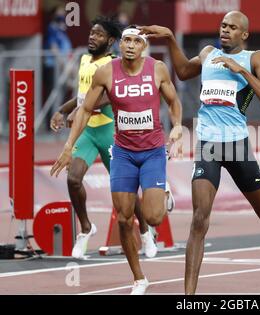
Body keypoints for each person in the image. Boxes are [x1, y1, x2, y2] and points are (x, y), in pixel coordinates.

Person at [138, 10, 260, 295]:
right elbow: (184, 72)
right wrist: (172, 38)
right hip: (208, 145)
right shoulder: (208, 52)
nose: (225, 30)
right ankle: (189, 297)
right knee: (199, 219)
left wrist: (242, 71)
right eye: (223, 25)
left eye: (233, 28)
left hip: (237, 146)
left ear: (244, 34)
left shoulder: (256, 58)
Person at [51, 25, 183, 294]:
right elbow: (85, 109)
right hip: (122, 152)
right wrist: (68, 146)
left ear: (143, 46)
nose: (131, 45)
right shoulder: (106, 72)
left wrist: (178, 124)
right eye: (126, 41)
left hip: (152, 151)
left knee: (154, 216)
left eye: (136, 41)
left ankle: (162, 196)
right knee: (123, 218)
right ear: (120, 45)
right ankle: (138, 278)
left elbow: (173, 100)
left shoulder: (156, 69)